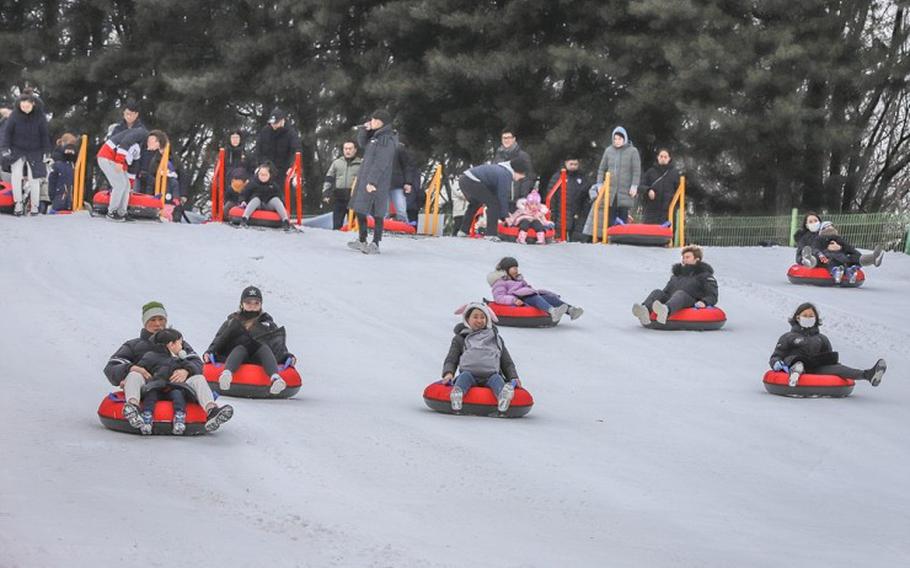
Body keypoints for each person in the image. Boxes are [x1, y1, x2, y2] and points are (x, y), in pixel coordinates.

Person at [103, 301, 234, 433]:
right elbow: (112, 366)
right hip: (148, 388)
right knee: (134, 375)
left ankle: (211, 410)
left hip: (178, 388)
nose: (158, 324)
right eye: (153, 319)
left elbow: (196, 363)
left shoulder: (178, 343)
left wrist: (186, 370)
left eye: (161, 319)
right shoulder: (134, 345)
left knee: (199, 378)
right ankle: (133, 408)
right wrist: (131, 368)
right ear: (145, 322)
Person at [204, 286, 296, 395]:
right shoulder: (233, 321)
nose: (252, 306)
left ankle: (276, 378)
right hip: (236, 355)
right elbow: (219, 338)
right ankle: (227, 374)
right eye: (248, 303)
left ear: (261, 305)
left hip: (259, 357)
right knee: (241, 348)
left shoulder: (267, 323)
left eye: (256, 303)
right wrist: (209, 352)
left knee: (264, 347)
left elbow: (276, 343)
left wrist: (288, 356)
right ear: (242, 304)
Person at [769, 302, 886, 388]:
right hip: (795, 363)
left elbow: (828, 358)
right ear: (798, 318)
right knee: (799, 362)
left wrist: (835, 366)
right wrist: (776, 363)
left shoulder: (821, 338)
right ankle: (795, 374)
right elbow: (776, 355)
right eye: (805, 315)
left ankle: (868, 375)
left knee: (838, 368)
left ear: (816, 319)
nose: (808, 318)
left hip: (816, 367)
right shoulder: (788, 337)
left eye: (811, 316)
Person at [442, 302, 520, 412]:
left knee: (497, 379)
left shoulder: (495, 339)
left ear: (487, 320)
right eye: (475, 317)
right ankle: (457, 394)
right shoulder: (461, 338)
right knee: (464, 377)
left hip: (491, 375)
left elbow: (506, 362)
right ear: (467, 319)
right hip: (469, 374)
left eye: (483, 317)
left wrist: (513, 377)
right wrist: (448, 373)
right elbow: (452, 359)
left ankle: (503, 397)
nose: (479, 320)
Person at [347, 110, 399, 254]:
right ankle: (362, 239)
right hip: (365, 176)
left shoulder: (386, 139)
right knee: (359, 208)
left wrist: (372, 181)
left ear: (383, 122)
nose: (373, 121)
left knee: (378, 212)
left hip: (377, 180)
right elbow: (362, 144)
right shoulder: (376, 136)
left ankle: (375, 242)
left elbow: (381, 162)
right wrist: (364, 130)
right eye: (372, 119)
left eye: (376, 120)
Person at [632, 245, 718, 326]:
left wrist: (704, 302)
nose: (684, 260)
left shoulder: (704, 275)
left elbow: (712, 295)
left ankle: (665, 310)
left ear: (697, 259)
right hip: (674, 300)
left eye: (687, 257)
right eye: (683, 257)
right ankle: (644, 310)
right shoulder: (677, 275)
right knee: (657, 292)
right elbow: (666, 292)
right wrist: (659, 298)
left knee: (680, 294)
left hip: (691, 301)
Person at [134, 328, 198, 435]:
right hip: (155, 386)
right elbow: (140, 367)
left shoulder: (179, 360)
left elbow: (193, 368)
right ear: (171, 345)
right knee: (151, 395)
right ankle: (147, 417)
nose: (182, 347)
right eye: (180, 344)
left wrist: (185, 367)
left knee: (178, 395)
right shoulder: (151, 356)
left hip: (173, 387)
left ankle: (179, 417)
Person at [0, 92, 52, 216]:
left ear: (33, 104)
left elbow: (44, 135)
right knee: (16, 176)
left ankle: (34, 206)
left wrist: (46, 152)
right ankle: (18, 203)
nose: (25, 109)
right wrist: (5, 149)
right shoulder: (14, 116)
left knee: (34, 178)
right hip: (17, 149)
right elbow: (7, 133)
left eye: (27, 107)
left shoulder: (40, 117)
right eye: (22, 107)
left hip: (35, 150)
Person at [488, 256, 584, 322]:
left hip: (529, 296)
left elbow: (527, 288)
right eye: (513, 268)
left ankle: (571, 310)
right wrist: (513, 300)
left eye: (517, 268)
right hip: (520, 299)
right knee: (535, 298)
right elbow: (499, 297)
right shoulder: (500, 282)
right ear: (506, 270)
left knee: (548, 297)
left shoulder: (519, 279)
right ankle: (552, 311)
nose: (516, 270)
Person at [455, 157, 530, 240]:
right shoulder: (506, 174)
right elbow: (502, 196)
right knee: (494, 204)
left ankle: (463, 231)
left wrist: (504, 214)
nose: (521, 178)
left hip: (465, 179)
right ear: (518, 171)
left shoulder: (502, 169)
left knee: (475, 203)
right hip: (472, 181)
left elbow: (495, 193)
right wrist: (505, 215)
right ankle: (491, 234)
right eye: (522, 175)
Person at [584, 126, 641, 234]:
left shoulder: (633, 151)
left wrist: (634, 186)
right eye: (615, 139)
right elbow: (601, 169)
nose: (617, 141)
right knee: (610, 215)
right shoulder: (608, 151)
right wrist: (600, 184)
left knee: (623, 214)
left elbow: (636, 171)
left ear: (624, 138)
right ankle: (610, 236)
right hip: (611, 190)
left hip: (625, 190)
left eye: (619, 139)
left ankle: (622, 237)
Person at [96, 113, 149, 221]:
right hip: (108, 156)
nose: (153, 150)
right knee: (119, 185)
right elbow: (124, 144)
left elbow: (134, 166)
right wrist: (119, 162)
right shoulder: (141, 133)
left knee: (127, 186)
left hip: (118, 160)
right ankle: (112, 212)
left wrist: (131, 183)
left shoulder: (139, 148)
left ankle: (121, 212)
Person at [799, 220, 884, 274]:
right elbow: (816, 248)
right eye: (826, 227)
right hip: (826, 257)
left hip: (842, 257)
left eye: (831, 226)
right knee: (826, 259)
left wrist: (840, 248)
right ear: (822, 230)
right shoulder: (819, 239)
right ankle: (810, 260)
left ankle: (873, 258)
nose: (829, 228)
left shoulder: (839, 239)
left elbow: (850, 249)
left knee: (853, 257)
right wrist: (826, 250)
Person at [546, 157, 592, 242]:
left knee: (576, 239)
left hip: (577, 214)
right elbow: (551, 195)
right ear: (566, 163)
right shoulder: (558, 176)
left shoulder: (582, 178)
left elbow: (586, 196)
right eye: (571, 164)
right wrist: (553, 212)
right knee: (559, 238)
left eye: (576, 164)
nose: (573, 166)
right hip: (560, 213)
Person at [238, 162, 291, 230]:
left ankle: (285, 221)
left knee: (276, 200)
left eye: (265, 175)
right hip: (258, 204)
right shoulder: (253, 183)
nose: (263, 176)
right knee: (255, 199)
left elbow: (280, 195)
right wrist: (242, 201)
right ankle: (244, 218)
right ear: (258, 174)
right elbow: (244, 193)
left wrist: (283, 204)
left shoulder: (273, 185)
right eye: (261, 174)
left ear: (269, 175)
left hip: (269, 204)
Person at [322, 140, 361, 229]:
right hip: (339, 198)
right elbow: (329, 178)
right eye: (345, 149)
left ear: (355, 150)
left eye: (350, 149)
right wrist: (326, 193)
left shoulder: (361, 164)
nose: (348, 151)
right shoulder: (337, 163)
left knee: (354, 226)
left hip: (354, 198)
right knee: (337, 226)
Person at [493, 128, 535, 208]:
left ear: (514, 139)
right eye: (504, 138)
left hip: (517, 201)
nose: (506, 140)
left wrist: (523, 198)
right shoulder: (498, 157)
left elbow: (528, 178)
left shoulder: (523, 156)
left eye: (509, 138)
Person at [256, 107, 301, 182]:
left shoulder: (291, 134)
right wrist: (262, 165)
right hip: (267, 170)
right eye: (272, 123)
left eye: (276, 123)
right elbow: (258, 150)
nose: (274, 125)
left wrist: (292, 167)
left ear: (282, 121)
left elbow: (296, 151)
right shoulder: (265, 132)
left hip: (284, 171)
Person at [639, 148, 680, 225]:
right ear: (657, 157)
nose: (663, 159)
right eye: (661, 156)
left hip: (668, 211)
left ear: (669, 158)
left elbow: (679, 191)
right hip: (651, 211)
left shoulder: (674, 173)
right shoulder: (650, 172)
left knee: (668, 235)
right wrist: (648, 190)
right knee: (650, 233)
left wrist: (677, 206)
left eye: (665, 157)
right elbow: (641, 186)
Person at [388, 134, 420, 224]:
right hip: (384, 183)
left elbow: (407, 166)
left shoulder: (399, 148)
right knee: (383, 211)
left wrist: (408, 182)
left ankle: (403, 225)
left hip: (396, 183)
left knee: (400, 209)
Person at [46, 133, 79, 213]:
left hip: (69, 198)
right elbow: (52, 180)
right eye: (70, 144)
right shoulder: (56, 159)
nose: (72, 147)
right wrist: (52, 196)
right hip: (59, 196)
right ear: (63, 143)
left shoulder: (72, 161)